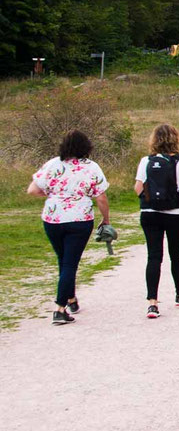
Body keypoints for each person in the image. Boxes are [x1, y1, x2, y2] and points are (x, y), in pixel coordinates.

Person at [26, 130, 110, 326]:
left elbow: (33, 189)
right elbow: (101, 197)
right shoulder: (91, 167)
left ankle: (71, 299)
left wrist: (54, 195)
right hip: (79, 218)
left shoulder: (53, 164)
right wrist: (106, 219)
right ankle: (59, 308)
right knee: (70, 263)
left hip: (53, 218)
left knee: (63, 260)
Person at [135, 123, 179, 319]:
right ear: (176, 139)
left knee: (154, 256)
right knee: (176, 255)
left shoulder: (145, 160)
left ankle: (152, 303)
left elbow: (138, 188)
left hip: (149, 213)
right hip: (175, 213)